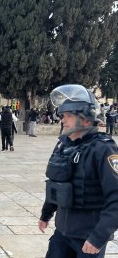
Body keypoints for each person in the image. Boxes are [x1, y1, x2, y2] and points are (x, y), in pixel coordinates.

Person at [38, 84, 118, 258]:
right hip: (62, 232)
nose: (62, 120)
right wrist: (46, 214)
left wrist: (98, 237)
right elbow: (56, 183)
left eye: (68, 116)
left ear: (86, 119)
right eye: (62, 116)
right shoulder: (63, 145)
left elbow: (116, 197)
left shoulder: (103, 149)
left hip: (88, 237)